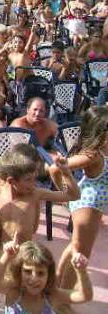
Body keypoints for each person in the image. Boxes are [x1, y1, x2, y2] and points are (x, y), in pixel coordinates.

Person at [0, 144, 79, 242]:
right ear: (11, 180)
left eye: (35, 177)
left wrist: (66, 172)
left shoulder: (35, 193)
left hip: (24, 249)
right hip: (0, 248)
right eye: (29, 179)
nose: (34, 183)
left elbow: (73, 196)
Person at [57, 106, 108, 290]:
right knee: (81, 253)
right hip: (87, 205)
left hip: (94, 206)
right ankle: (64, 295)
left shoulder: (103, 149)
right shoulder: (93, 155)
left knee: (76, 246)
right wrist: (64, 192)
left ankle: (57, 283)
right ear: (101, 131)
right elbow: (56, 168)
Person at [0, 239, 92, 313]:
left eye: (41, 273)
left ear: (49, 275)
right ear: (19, 271)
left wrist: (81, 271)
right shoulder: (14, 291)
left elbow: (84, 296)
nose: (34, 278)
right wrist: (7, 256)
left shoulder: (52, 296)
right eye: (28, 271)